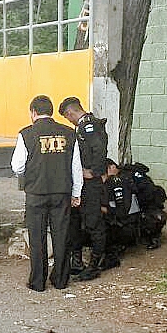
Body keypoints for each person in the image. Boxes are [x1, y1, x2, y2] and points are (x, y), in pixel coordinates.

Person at [11, 95, 82, 292]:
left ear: (33, 112)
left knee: (37, 237)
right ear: (50, 112)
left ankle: (37, 282)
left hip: (36, 193)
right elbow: (76, 167)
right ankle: (60, 280)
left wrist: (30, 174)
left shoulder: (26, 134)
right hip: (62, 192)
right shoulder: (69, 133)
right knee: (62, 236)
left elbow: (17, 166)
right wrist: (76, 193)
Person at [58, 96, 108, 282]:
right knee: (76, 220)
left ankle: (96, 264)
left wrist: (94, 172)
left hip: (91, 183)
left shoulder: (89, 125)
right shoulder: (82, 126)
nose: (68, 121)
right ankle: (76, 261)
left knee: (94, 222)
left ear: (70, 113)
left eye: (67, 117)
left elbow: (99, 149)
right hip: (80, 182)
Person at [102, 159, 140, 270]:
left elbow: (121, 212)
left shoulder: (116, 182)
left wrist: (103, 209)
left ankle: (112, 254)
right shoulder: (121, 179)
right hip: (130, 224)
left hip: (126, 226)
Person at [120, 161, 167, 250]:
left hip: (145, 207)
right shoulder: (140, 178)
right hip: (138, 207)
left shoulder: (128, 176)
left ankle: (151, 237)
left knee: (153, 218)